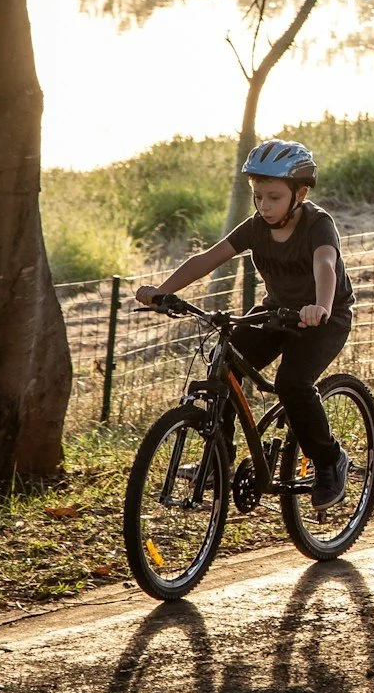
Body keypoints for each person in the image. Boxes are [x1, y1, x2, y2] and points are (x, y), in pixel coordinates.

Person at [137, 140, 353, 505]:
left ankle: (330, 460)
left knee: (292, 383)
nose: (264, 206)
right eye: (258, 196)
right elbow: (208, 258)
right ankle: (216, 456)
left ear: (299, 194)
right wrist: (162, 291)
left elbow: (325, 266)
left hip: (323, 318)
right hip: (275, 313)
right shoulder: (255, 227)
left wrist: (320, 306)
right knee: (224, 368)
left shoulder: (318, 224)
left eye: (274, 197)